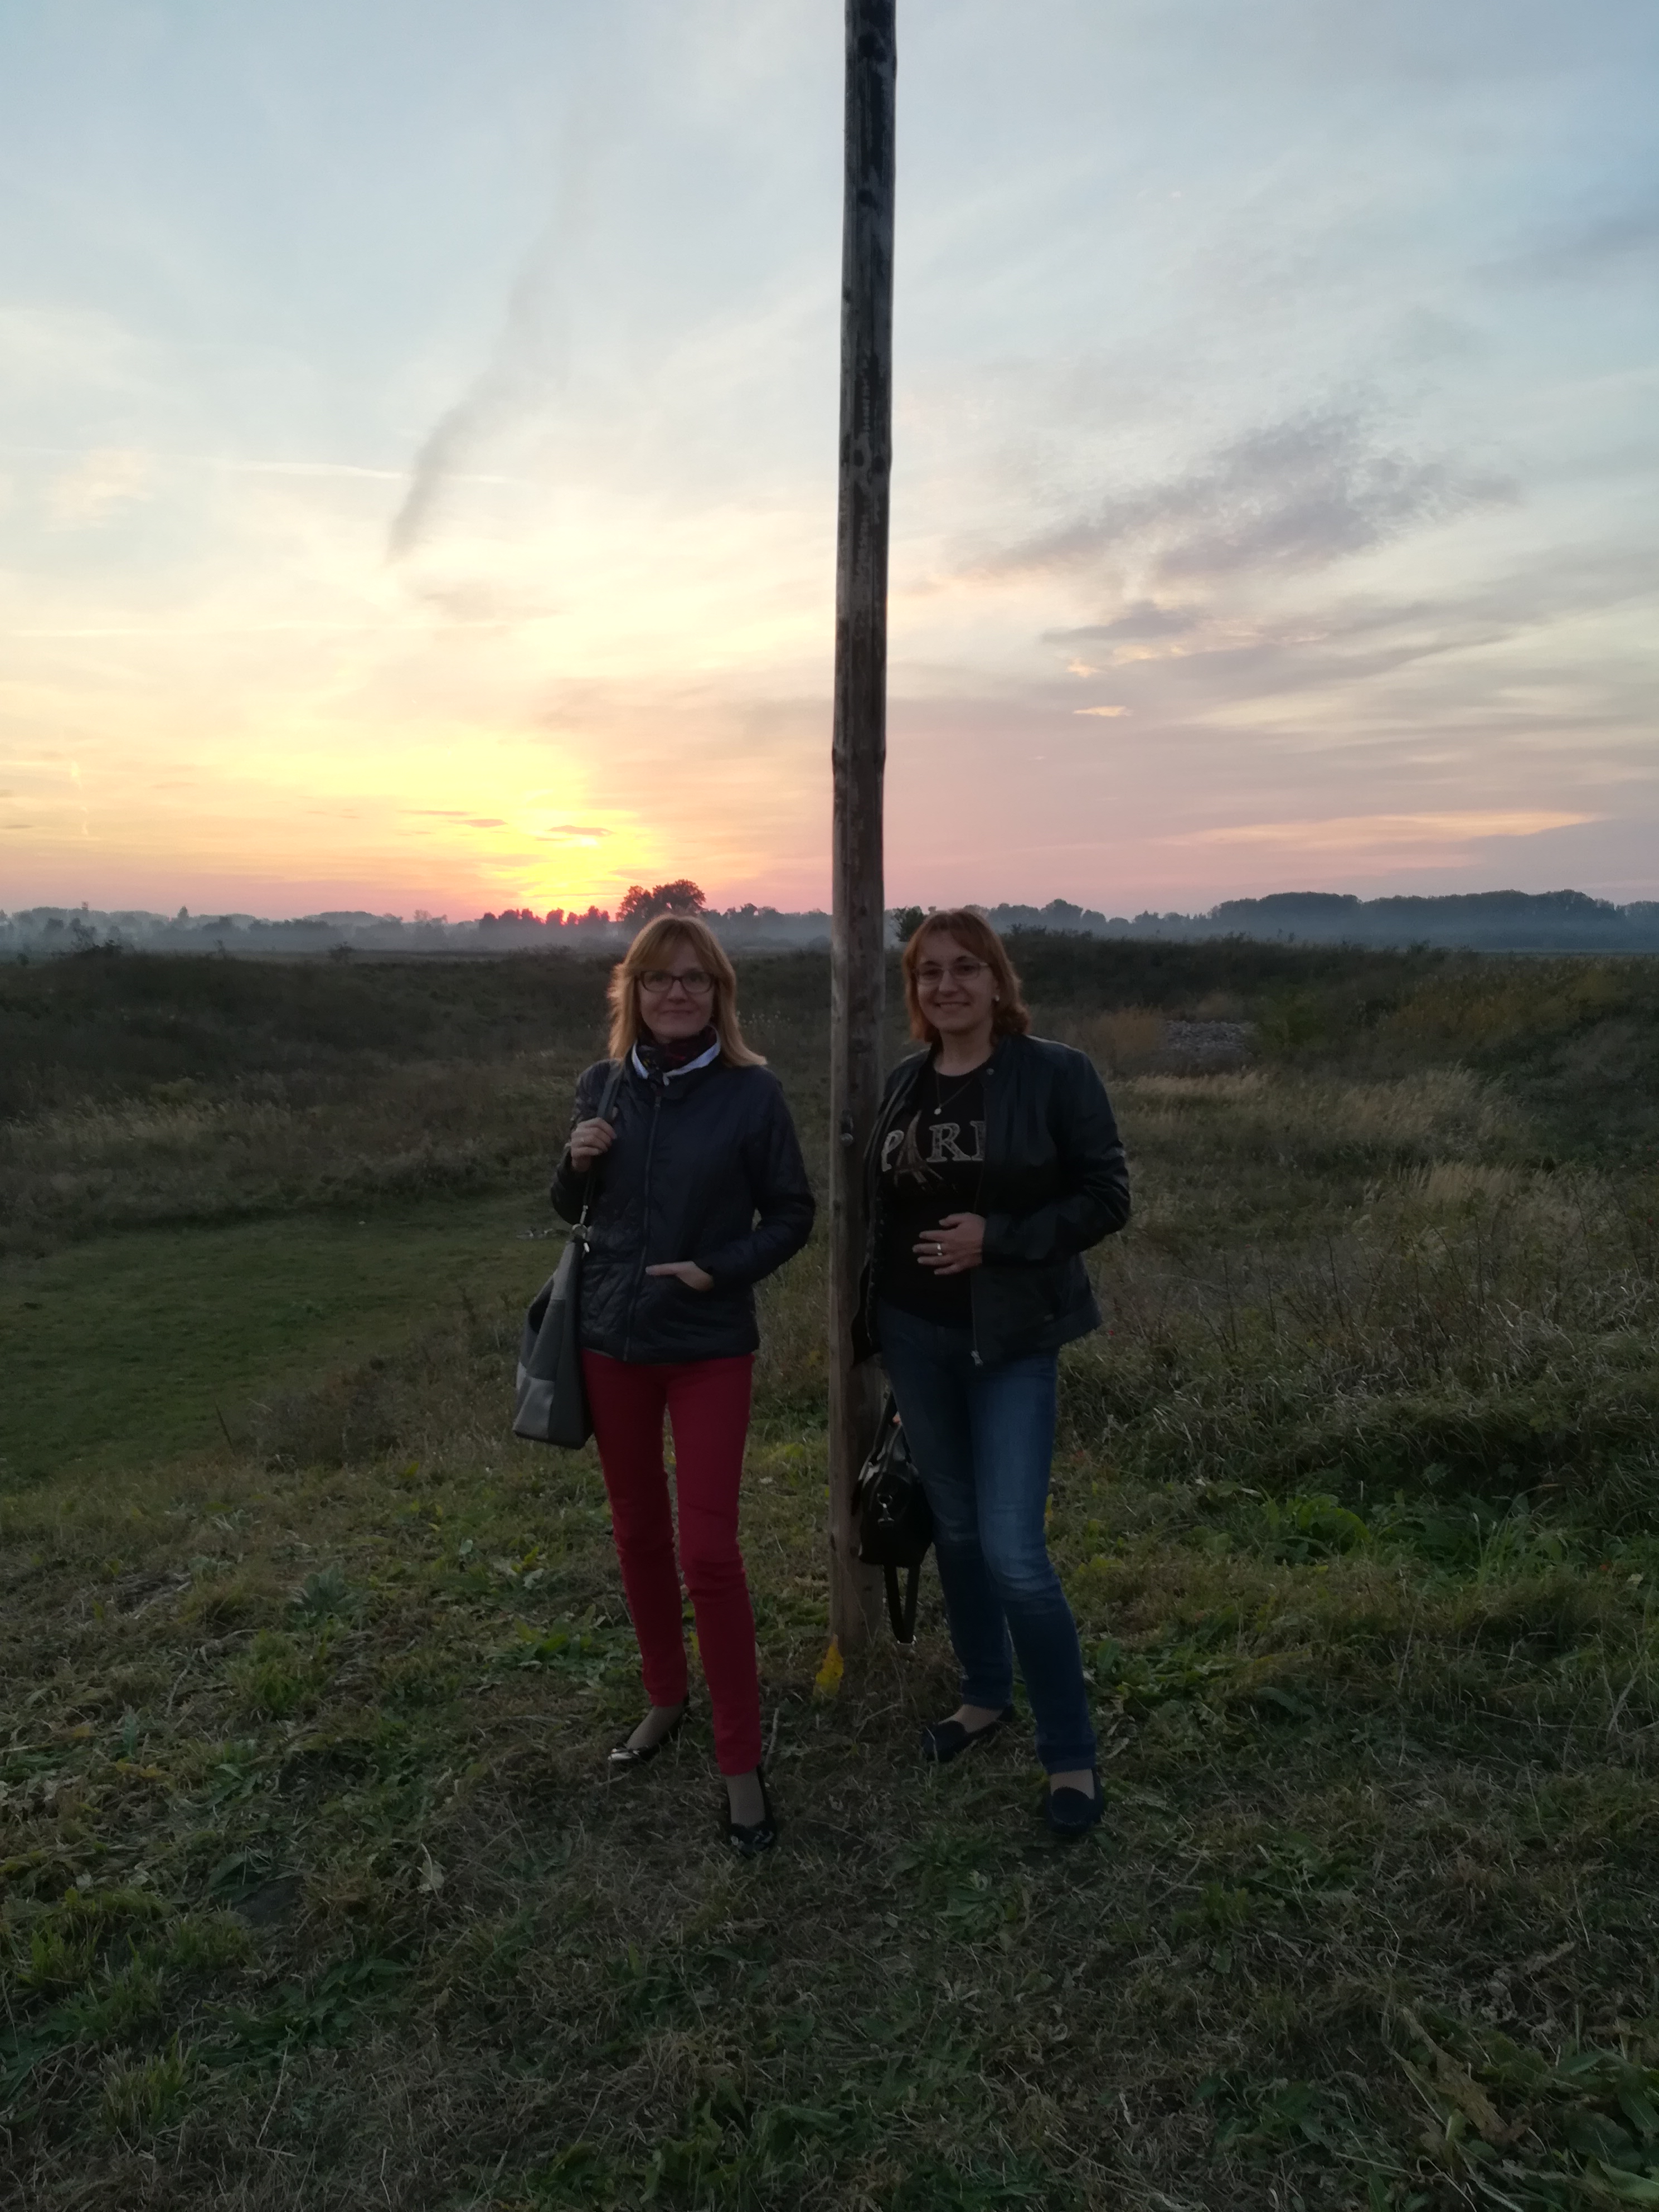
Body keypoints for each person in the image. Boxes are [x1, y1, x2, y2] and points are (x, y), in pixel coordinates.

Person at [855, 910, 1131, 1836]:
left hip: (1010, 1343)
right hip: (915, 1338)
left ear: (998, 980)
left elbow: (1107, 1197)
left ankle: (1071, 1754)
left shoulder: (1056, 1074)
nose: (947, 985)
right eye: (928, 972)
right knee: (960, 1534)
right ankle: (982, 1695)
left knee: (1015, 1553)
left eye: (966, 968)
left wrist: (998, 1239)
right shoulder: (906, 1083)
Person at [551, 914, 814, 1856]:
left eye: (694, 979)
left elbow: (793, 1213)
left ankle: (739, 1763)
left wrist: (717, 1269)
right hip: (611, 1343)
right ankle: (666, 1696)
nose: (675, 993)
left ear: (719, 995)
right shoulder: (603, 1083)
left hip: (708, 1345)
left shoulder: (752, 1093)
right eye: (658, 978)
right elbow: (573, 1209)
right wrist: (575, 1164)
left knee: (709, 1553)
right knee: (636, 1533)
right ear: (632, 991)